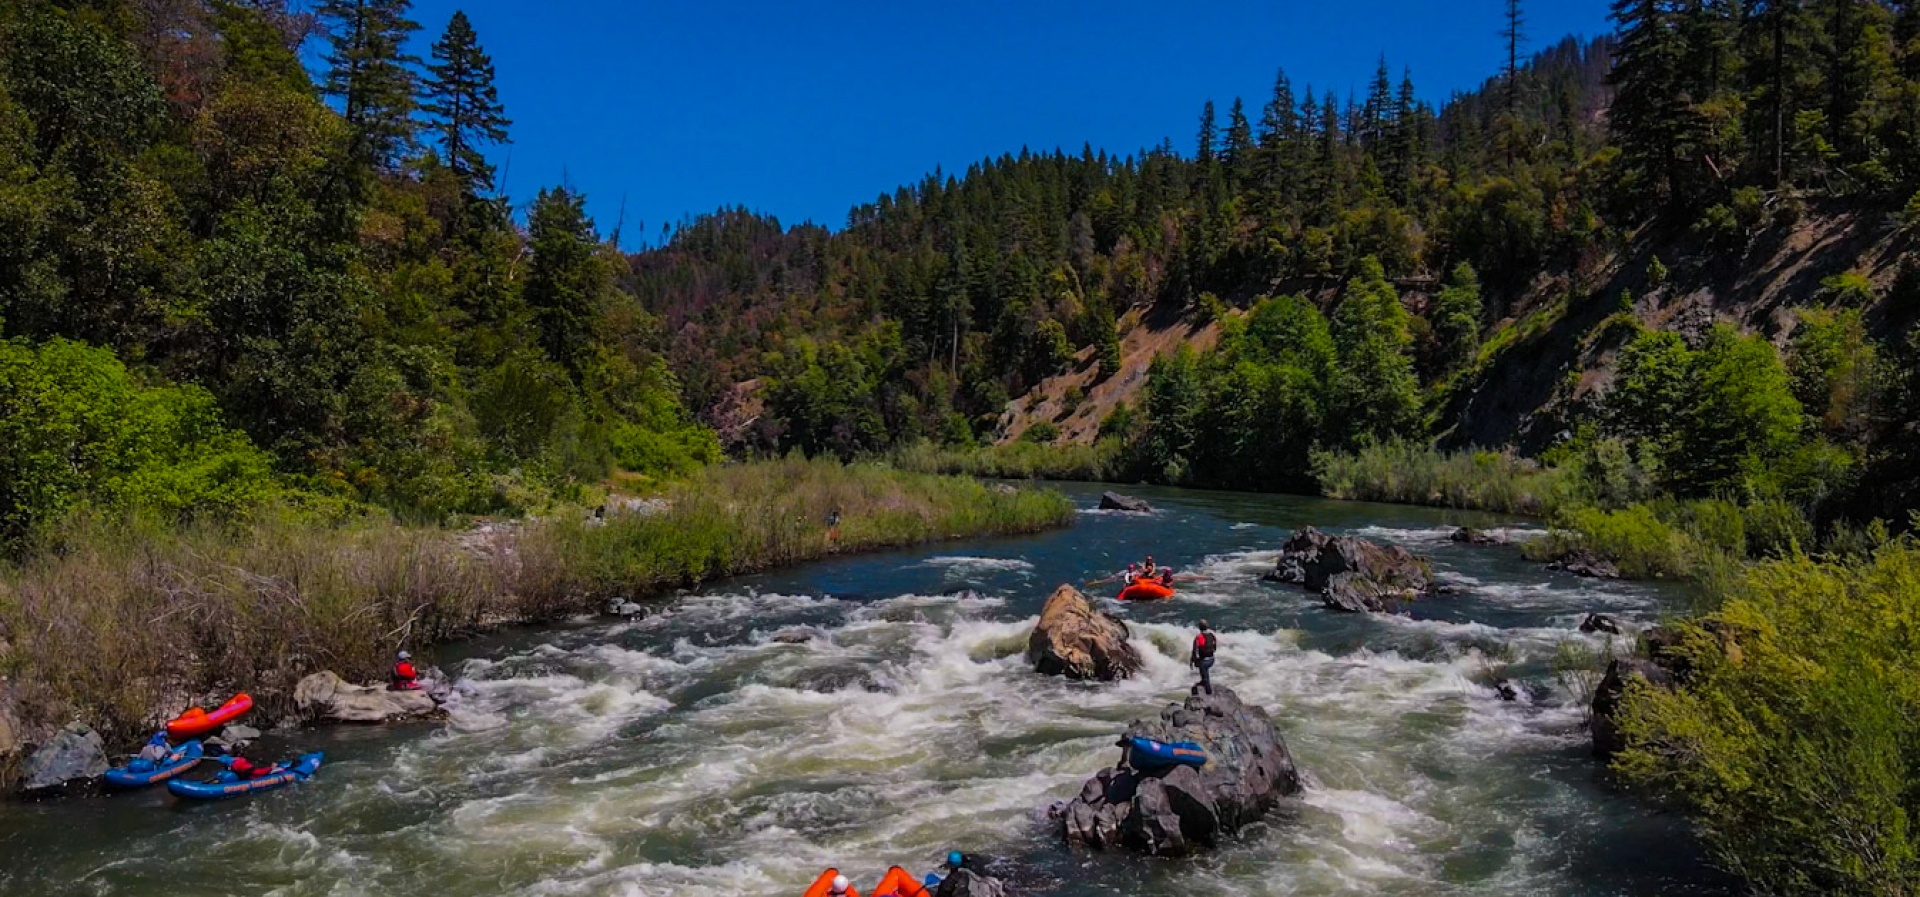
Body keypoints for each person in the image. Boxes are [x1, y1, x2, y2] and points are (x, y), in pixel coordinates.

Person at [1190, 619, 1217, 695]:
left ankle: (1209, 693)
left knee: (1202, 668)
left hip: (1204, 661)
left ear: (1199, 627)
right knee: (1204, 669)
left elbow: (1194, 652)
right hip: (1212, 660)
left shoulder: (1199, 637)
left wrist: (1192, 661)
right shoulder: (1212, 635)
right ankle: (1204, 679)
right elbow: (1215, 648)